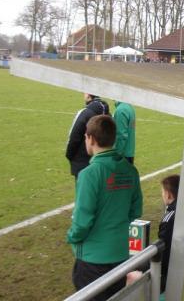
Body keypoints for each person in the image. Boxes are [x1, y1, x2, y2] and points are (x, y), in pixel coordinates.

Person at [67, 115, 143, 300]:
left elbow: (82, 221)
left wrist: (71, 237)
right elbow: (136, 211)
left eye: (85, 137)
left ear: (91, 139)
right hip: (120, 257)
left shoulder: (89, 174)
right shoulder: (130, 170)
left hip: (93, 262)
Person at [66, 93, 110, 180]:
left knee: (83, 191)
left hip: (82, 164)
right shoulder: (108, 114)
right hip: (102, 163)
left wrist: (70, 156)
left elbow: (74, 136)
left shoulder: (84, 113)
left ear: (89, 95)